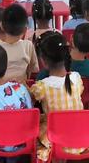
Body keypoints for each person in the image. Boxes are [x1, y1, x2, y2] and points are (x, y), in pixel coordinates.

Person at [30, 32, 84, 161]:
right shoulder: (76, 78)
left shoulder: (42, 86)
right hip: (81, 135)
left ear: (43, 61)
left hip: (56, 139)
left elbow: (30, 100)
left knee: (34, 125)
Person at [0, 4, 39, 82]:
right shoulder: (28, 45)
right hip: (22, 89)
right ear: (25, 30)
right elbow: (34, 69)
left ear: (1, 26)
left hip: (0, 90)